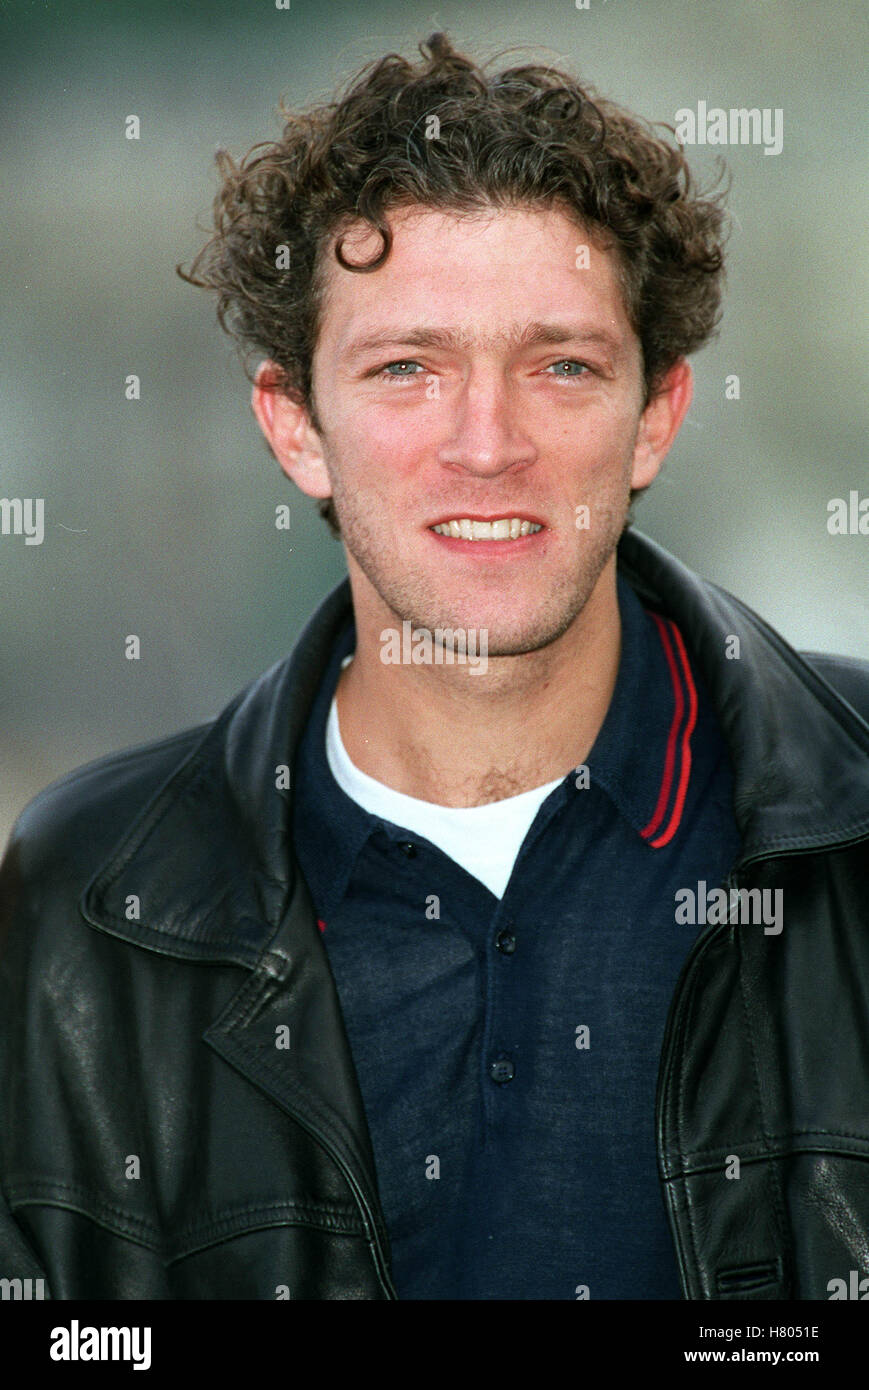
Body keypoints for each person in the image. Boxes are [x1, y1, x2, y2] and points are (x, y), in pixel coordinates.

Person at [1, 32, 868, 1303]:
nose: (486, 443)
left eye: (560, 366)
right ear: (295, 426)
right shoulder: (87, 901)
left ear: (654, 417)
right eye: (406, 368)